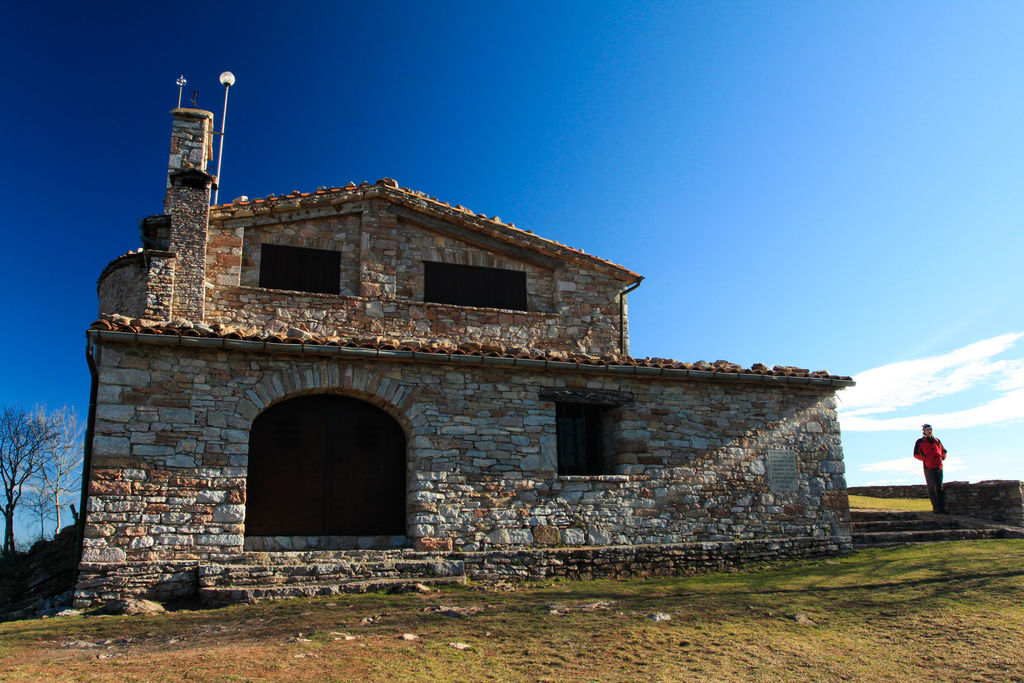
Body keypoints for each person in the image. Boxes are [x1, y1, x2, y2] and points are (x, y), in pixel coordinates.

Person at [913, 423, 948, 513]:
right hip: (928, 467)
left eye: (930, 429)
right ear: (924, 431)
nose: (929, 431)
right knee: (931, 488)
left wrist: (942, 457)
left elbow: (943, 451)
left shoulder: (937, 440)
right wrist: (925, 459)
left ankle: (942, 508)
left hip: (938, 466)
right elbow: (916, 454)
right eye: (927, 429)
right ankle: (936, 508)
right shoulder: (920, 441)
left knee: (940, 488)